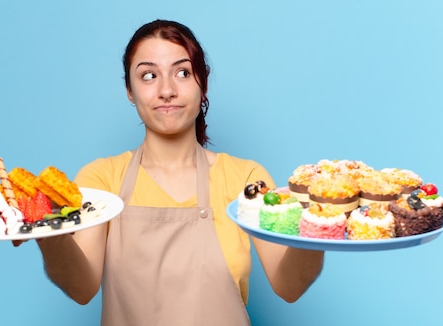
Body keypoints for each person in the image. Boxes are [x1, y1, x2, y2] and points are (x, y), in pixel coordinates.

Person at [34, 19, 324, 325]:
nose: (167, 90)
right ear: (130, 91)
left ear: (203, 83)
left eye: (183, 72)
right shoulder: (102, 179)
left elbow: (288, 286)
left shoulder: (246, 179)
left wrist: (321, 221)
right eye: (148, 76)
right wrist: (48, 233)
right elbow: (82, 288)